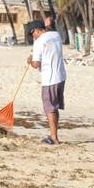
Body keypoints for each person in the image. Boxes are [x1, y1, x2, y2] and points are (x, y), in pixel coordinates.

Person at [27, 17, 66, 145]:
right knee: (54, 107)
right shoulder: (56, 35)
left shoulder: (39, 42)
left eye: (32, 33)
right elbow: (50, 27)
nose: (33, 36)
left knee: (49, 108)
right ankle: (55, 135)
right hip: (60, 76)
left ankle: (54, 137)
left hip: (49, 79)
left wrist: (30, 61)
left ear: (37, 30)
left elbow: (36, 64)